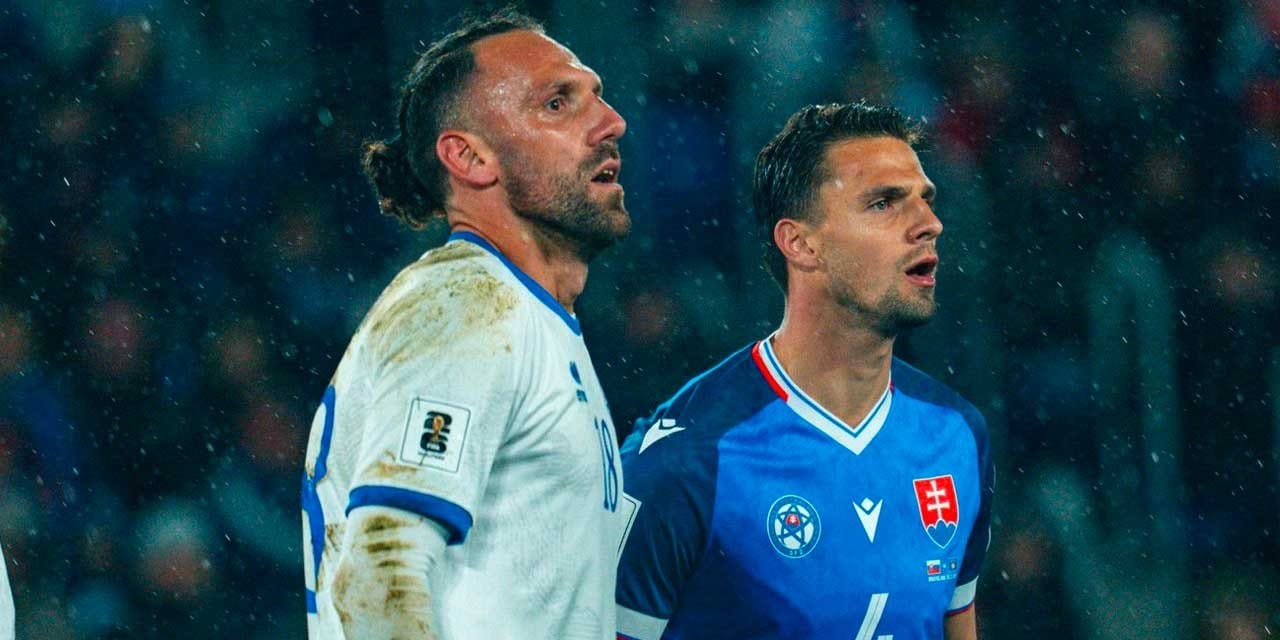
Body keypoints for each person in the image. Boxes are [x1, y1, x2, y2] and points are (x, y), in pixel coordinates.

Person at [299, 9, 630, 639]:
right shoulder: (467, 306)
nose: (611, 122)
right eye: (557, 103)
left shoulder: (527, 316)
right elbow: (378, 571)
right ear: (470, 157)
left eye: (597, 97)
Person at [614, 102, 994, 640]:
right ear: (800, 243)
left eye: (924, 200)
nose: (929, 224)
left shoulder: (956, 434)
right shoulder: (688, 461)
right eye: (884, 203)